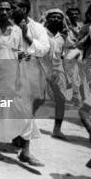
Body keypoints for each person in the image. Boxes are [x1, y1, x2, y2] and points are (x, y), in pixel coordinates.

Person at [0, 0, 43, 166]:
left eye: (7, 9)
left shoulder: (17, 30)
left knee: (26, 114)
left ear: (11, 11)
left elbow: (17, 51)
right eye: (0, 9)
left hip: (15, 78)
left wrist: (23, 55)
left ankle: (25, 151)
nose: (4, 12)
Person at [40, 9, 71, 140]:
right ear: (47, 19)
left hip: (57, 69)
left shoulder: (63, 36)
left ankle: (57, 129)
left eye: (59, 17)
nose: (56, 19)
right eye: (53, 17)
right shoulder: (40, 32)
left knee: (61, 99)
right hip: (40, 68)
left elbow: (71, 48)